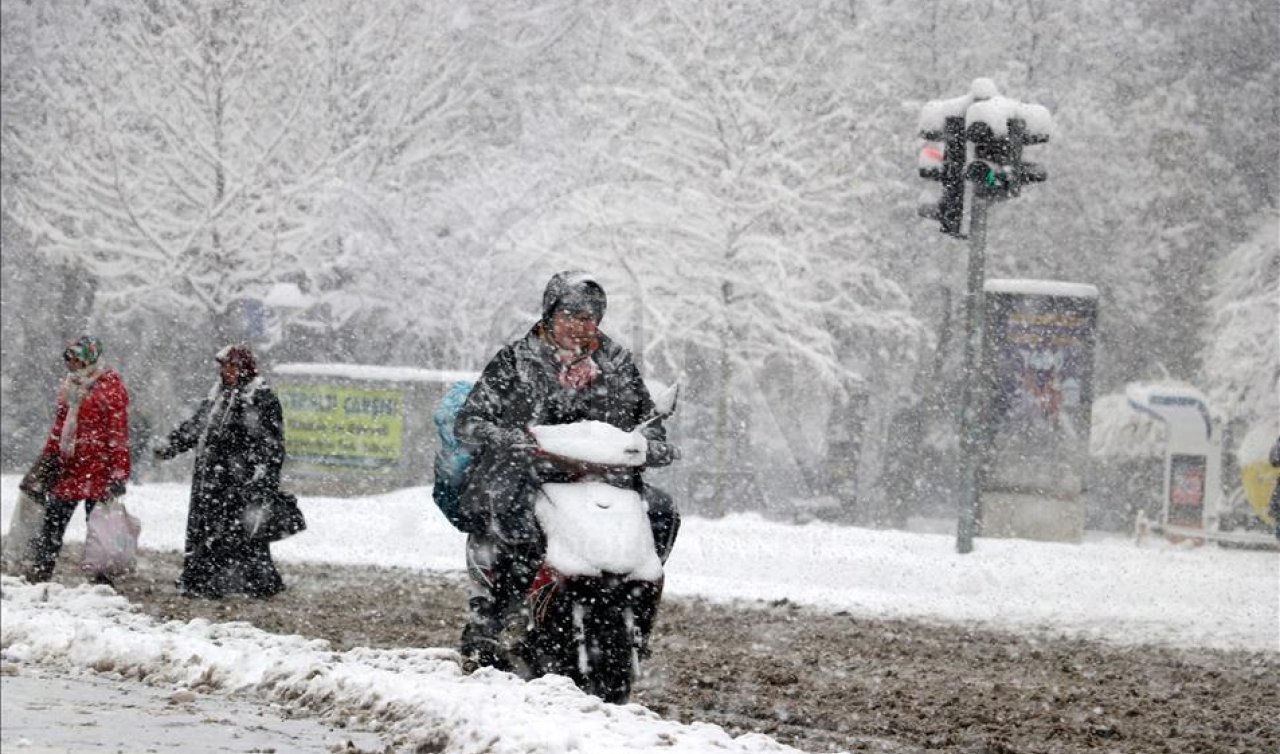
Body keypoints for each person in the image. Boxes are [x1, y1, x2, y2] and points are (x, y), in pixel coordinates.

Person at [454, 270, 681, 670]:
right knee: (510, 516)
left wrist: (653, 442)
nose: (579, 325)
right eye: (570, 315)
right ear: (550, 314)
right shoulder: (515, 360)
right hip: (528, 474)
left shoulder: (617, 363)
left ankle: (637, 612)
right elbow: (470, 420)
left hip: (604, 479)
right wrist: (505, 436)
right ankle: (492, 616)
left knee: (662, 512)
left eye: (589, 317)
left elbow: (647, 421)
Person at [153, 344, 286, 598]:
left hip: (239, 479)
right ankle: (201, 579)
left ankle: (238, 581)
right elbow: (198, 426)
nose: (227, 371)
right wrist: (172, 445)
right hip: (211, 476)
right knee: (206, 528)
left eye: (232, 366)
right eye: (224, 367)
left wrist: (262, 474)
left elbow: (271, 443)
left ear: (245, 368)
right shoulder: (219, 395)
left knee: (237, 532)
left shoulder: (260, 397)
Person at [20, 336, 130, 584]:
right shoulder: (71, 385)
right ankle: (42, 568)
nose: (71, 363)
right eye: (69, 358)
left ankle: (101, 578)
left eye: (76, 358)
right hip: (70, 468)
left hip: (99, 469)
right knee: (53, 520)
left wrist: (119, 472)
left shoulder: (110, 388)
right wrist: (49, 456)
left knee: (99, 527)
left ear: (89, 358)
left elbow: (118, 434)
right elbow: (60, 427)